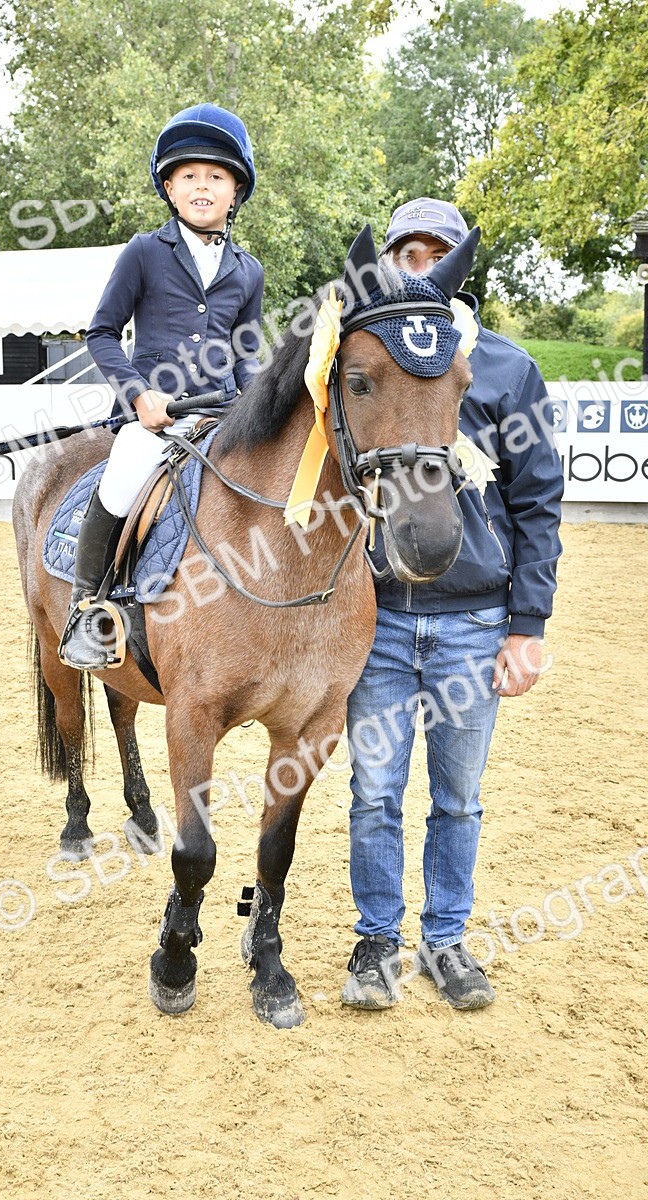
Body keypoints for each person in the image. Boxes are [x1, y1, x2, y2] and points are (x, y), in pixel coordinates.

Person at [342, 197, 564, 1010]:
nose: (422, 267)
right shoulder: (363, 358)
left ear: (460, 270)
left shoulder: (504, 367)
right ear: (391, 263)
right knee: (373, 791)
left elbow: (539, 503)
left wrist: (527, 628)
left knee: (457, 796)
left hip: (475, 621)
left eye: (438, 254)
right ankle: (376, 942)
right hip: (381, 618)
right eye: (408, 254)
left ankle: (446, 941)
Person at [59, 103, 264, 670]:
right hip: (158, 415)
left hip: (219, 414)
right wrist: (137, 395)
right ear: (170, 189)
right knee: (124, 474)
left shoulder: (249, 271)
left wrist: (255, 406)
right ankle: (87, 608)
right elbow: (100, 332)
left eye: (217, 177)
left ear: (235, 192)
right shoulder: (145, 252)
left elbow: (246, 355)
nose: (203, 186)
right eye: (190, 176)